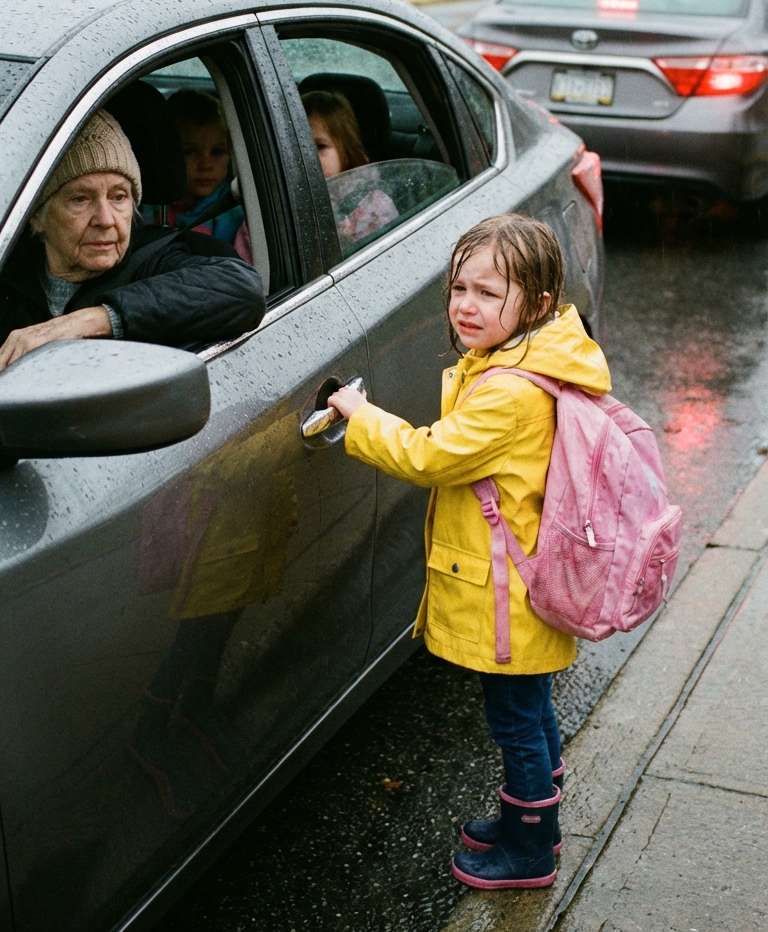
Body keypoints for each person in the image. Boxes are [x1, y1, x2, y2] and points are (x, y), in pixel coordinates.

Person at [327, 214, 611, 889]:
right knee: (531, 706)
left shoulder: (509, 391)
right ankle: (531, 813)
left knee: (513, 718)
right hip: (527, 576)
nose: (466, 306)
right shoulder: (530, 357)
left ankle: (530, 847)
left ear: (536, 305)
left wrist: (360, 417)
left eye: (489, 293)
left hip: (506, 594)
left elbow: (429, 456)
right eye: (460, 287)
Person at [0, 109, 265, 369]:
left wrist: (93, 320)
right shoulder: (8, 265)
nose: (105, 219)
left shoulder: (153, 258)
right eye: (80, 199)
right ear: (36, 216)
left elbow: (243, 288)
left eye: (118, 197)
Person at [302, 89, 398, 251]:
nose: (306, 157)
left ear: (346, 152)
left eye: (320, 146)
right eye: (298, 148)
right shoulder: (279, 197)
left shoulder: (374, 204)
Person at [165, 90, 247, 256]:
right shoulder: (148, 206)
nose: (206, 165)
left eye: (217, 152)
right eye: (189, 151)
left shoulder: (236, 212)